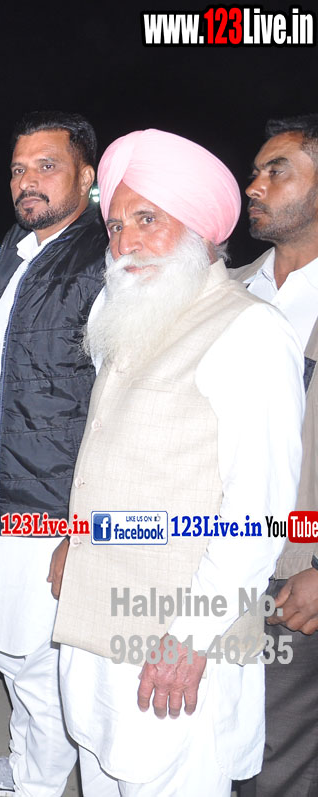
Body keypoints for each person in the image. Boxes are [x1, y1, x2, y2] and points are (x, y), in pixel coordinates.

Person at [49, 129, 303, 796]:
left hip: (177, 644)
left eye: (148, 220)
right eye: (116, 225)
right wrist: (76, 537)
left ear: (200, 229)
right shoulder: (130, 317)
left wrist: (189, 636)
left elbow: (259, 513)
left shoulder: (249, 329)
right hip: (98, 625)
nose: (125, 242)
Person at [0, 112, 105, 797]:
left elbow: (111, 399)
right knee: (10, 648)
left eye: (47, 166)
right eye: (18, 169)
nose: (28, 181)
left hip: (51, 499)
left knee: (39, 657)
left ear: (87, 176)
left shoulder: (102, 258)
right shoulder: (16, 249)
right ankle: (24, 763)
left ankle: (40, 781)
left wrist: (83, 523)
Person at [232, 114, 318, 797]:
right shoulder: (225, 291)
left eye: (277, 171)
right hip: (211, 560)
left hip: (295, 575)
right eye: (256, 170)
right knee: (207, 743)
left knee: (277, 759)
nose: (253, 185)